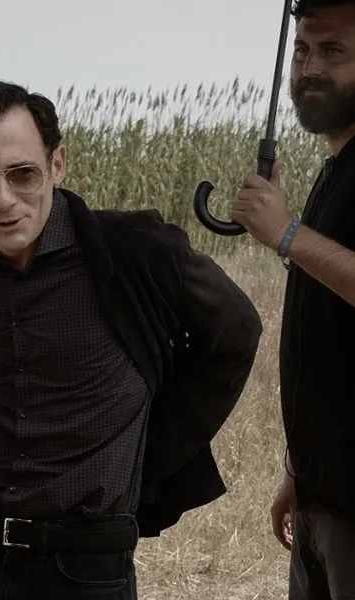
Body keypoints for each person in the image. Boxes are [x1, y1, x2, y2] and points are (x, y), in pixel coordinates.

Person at [0, 80, 263, 599]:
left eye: (23, 174)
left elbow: (237, 332)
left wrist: (146, 453)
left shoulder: (136, 250)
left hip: (86, 567)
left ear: (57, 164)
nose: (3, 199)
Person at [229, 1, 355, 597]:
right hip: (323, 496)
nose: (310, 68)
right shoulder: (336, 169)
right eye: (302, 50)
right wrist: (298, 470)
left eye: (333, 51)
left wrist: (287, 233)